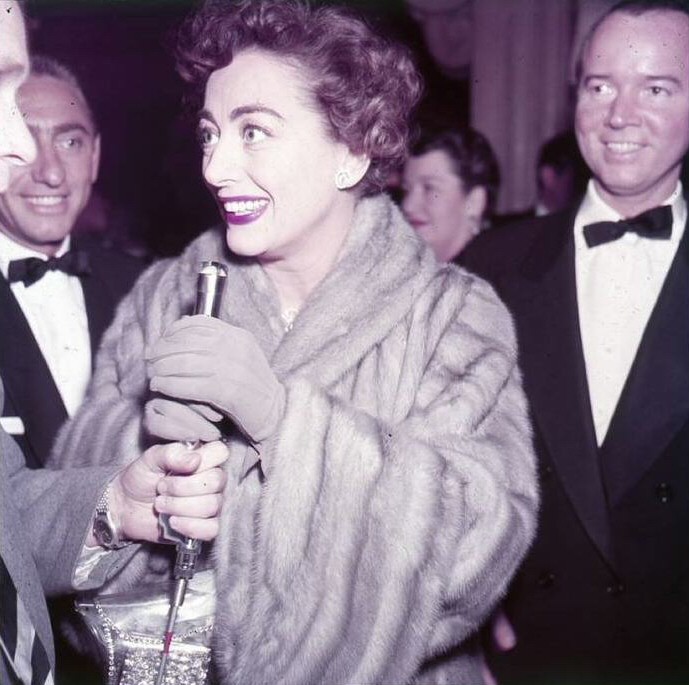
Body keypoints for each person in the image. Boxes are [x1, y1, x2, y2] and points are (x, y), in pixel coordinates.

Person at [49, 1, 538, 683]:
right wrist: (140, 452)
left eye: (254, 132)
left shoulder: (451, 316)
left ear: (352, 149)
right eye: (210, 133)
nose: (216, 166)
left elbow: (475, 553)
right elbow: (65, 521)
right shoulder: (166, 293)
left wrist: (282, 419)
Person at [462, 1, 689, 683]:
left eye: (656, 88)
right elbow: (437, 462)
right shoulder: (489, 267)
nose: (618, 114)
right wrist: (468, 597)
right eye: (598, 86)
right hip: (526, 659)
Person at [0, 7, 228, 684]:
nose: (44, 168)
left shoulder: (154, 288)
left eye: (68, 142)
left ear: (96, 156)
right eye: (23, 134)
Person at [0, 53, 144, 470]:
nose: (51, 173)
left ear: (95, 156)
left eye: (70, 142)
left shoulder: (143, 288)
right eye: (22, 143)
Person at [401, 126, 500, 262]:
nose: (408, 205)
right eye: (406, 190)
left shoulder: (499, 278)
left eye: (429, 188)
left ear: (474, 202)